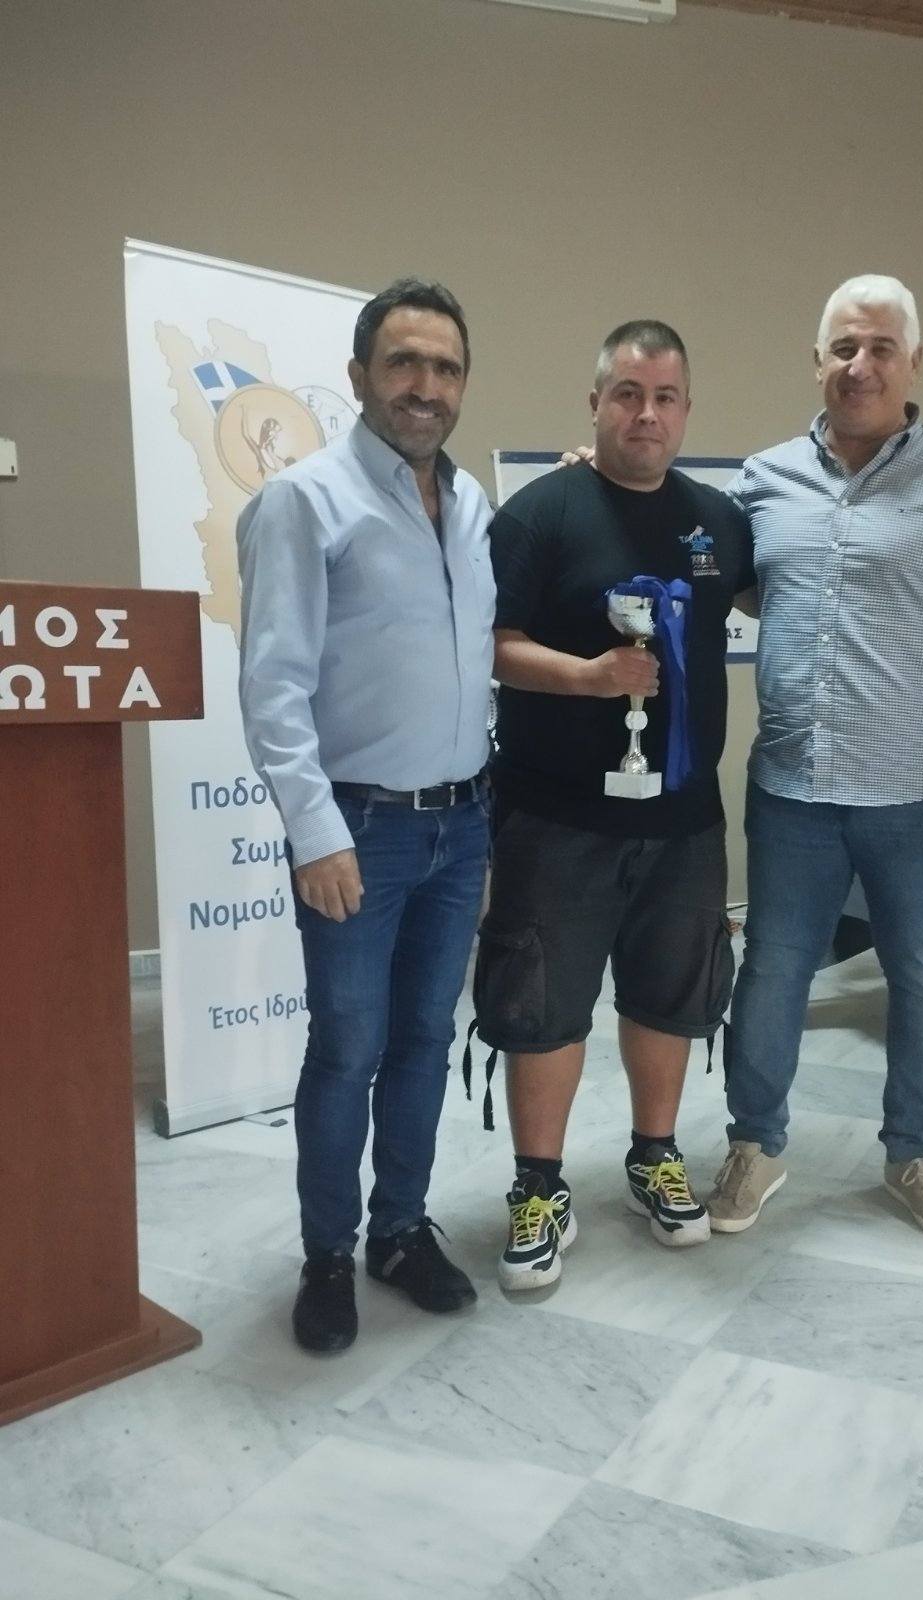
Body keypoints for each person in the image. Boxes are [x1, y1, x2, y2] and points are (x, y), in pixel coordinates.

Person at [709, 274, 923, 1240]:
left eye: (881, 348)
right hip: (793, 789)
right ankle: (755, 1145)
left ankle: (914, 1155)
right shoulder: (764, 479)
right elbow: (703, 564)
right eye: (844, 347)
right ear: (816, 360)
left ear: (913, 363)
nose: (860, 366)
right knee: (772, 972)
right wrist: (595, 483)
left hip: (921, 791)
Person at [237, 277, 494, 1351]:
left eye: (444, 367)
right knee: (347, 1046)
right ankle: (328, 1256)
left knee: (426, 1038)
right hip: (361, 830)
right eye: (403, 363)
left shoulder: (472, 506)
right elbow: (272, 687)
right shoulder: (304, 501)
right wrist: (315, 832)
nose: (424, 386)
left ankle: (399, 1231)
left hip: (461, 823)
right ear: (358, 376)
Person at [474, 320, 755, 1290]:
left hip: (682, 821)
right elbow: (489, 644)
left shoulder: (719, 523)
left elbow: (783, 599)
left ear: (686, 411)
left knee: (670, 995)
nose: (645, 414)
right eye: (627, 394)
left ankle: (653, 1154)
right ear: (594, 403)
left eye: (664, 397)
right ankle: (537, 1186)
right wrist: (591, 678)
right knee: (542, 1005)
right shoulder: (538, 514)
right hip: (554, 817)